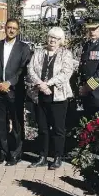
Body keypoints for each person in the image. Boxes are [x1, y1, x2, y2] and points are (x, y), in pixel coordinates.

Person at [26, 27, 77, 170]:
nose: (52, 40)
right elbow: (30, 69)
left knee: (58, 129)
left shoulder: (65, 54)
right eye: (50, 37)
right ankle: (42, 156)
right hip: (40, 95)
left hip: (58, 96)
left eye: (56, 38)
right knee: (42, 128)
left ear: (61, 41)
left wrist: (48, 83)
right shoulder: (39, 52)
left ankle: (57, 157)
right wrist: (40, 85)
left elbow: (66, 72)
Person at [0, 19, 32, 166]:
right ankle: (2, 153)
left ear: (18, 31)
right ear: (5, 28)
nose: (11, 30)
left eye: (14, 28)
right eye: (9, 27)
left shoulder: (24, 48)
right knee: (0, 123)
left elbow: (22, 69)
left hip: (15, 91)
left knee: (17, 124)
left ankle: (15, 154)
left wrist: (9, 82)